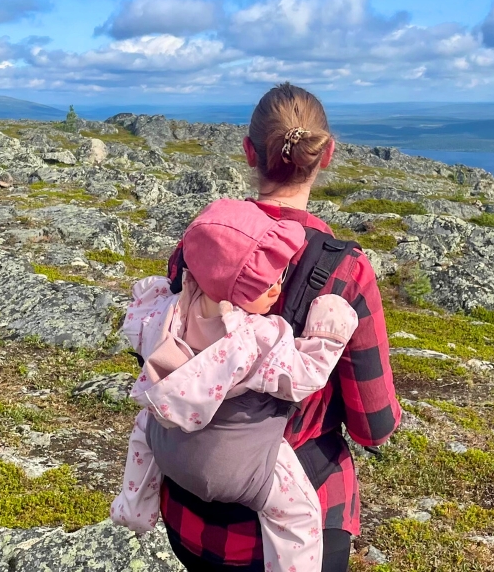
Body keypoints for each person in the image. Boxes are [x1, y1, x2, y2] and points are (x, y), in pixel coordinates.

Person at [157, 83, 402, 572]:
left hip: (189, 514)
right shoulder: (345, 271)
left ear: (250, 152)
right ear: (326, 154)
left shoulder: (199, 243)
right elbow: (373, 427)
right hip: (297, 522)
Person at [111, 198, 360, 572]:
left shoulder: (166, 310)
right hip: (237, 466)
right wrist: (328, 328)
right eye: (264, 282)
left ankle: (133, 508)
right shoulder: (254, 339)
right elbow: (303, 377)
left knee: (144, 429)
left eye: (279, 276)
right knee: (297, 513)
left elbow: (135, 327)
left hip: (169, 446)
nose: (278, 287)